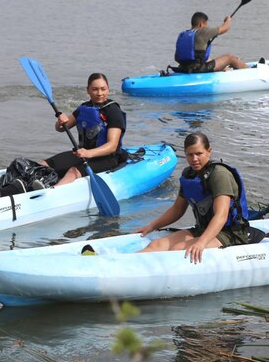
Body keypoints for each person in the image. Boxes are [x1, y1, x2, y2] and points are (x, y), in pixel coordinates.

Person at [134, 132, 251, 264]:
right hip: (203, 229)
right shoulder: (189, 174)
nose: (194, 159)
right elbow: (178, 209)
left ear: (209, 151)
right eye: (190, 154)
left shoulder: (220, 174)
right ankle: (126, 266)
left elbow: (221, 216)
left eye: (199, 153)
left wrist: (201, 243)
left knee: (177, 250)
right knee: (155, 246)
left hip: (230, 234)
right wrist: (152, 226)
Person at [35, 72, 127, 188]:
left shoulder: (113, 111)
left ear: (108, 89)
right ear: (88, 90)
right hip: (82, 154)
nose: (99, 93)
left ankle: (52, 192)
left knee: (73, 171)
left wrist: (88, 153)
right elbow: (62, 128)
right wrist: (60, 122)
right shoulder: (84, 108)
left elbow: (112, 145)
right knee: (44, 164)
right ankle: (24, 184)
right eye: (95, 89)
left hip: (107, 158)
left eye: (103, 89)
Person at [174, 11, 248, 73]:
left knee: (209, 59)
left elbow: (196, 56)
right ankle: (250, 72)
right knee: (230, 57)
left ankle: (225, 68)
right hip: (198, 69)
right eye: (206, 24)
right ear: (201, 24)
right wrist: (228, 20)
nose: (206, 26)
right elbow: (225, 28)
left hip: (182, 68)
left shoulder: (183, 34)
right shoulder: (203, 31)